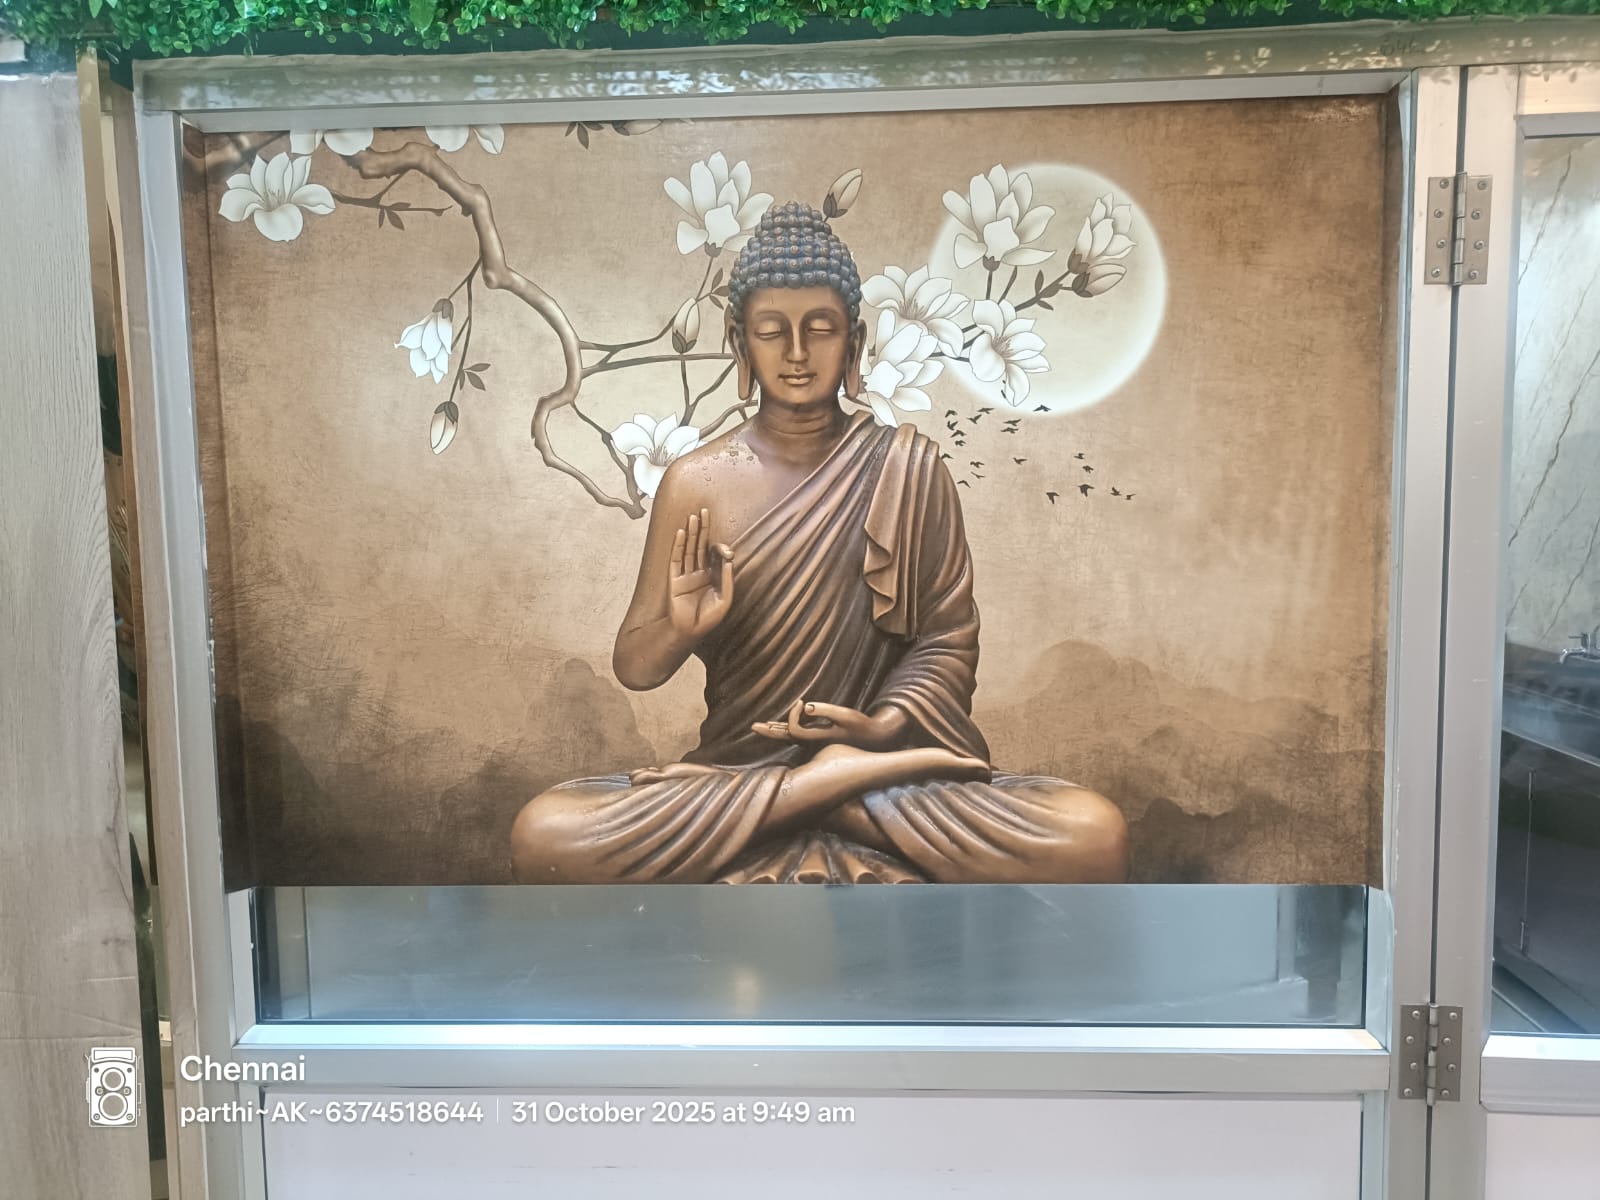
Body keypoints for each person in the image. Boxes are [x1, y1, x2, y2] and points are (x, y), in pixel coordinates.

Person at [511, 202, 1128, 884]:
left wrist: (881, 729)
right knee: (548, 831)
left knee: (1090, 831)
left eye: (821, 329)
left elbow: (946, 641)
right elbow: (635, 665)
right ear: (740, 342)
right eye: (772, 331)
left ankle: (828, 792)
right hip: (739, 773)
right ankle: (826, 794)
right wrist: (680, 629)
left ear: (854, 343)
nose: (798, 354)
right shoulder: (696, 482)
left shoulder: (910, 470)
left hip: (876, 781)